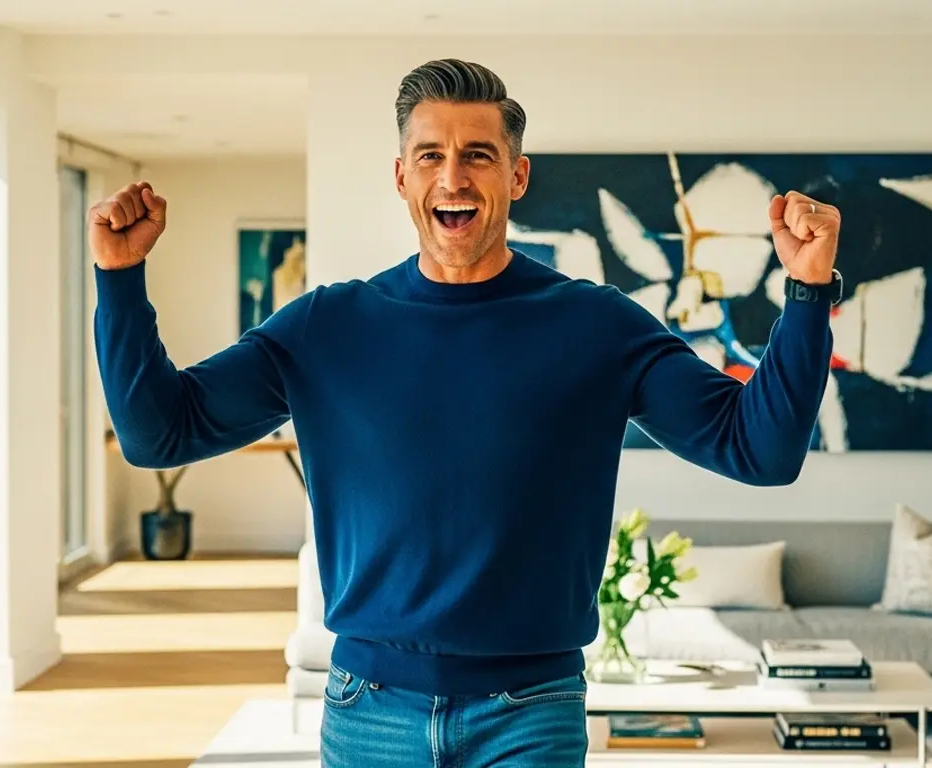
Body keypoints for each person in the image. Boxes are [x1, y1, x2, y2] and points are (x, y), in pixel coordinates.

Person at [90, 59, 840, 767]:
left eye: (478, 155)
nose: (453, 176)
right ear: (401, 175)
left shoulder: (597, 326)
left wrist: (807, 294)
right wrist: (120, 278)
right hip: (368, 713)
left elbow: (760, 450)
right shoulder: (326, 328)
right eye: (430, 156)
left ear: (517, 176)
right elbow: (160, 434)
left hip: (531, 713)